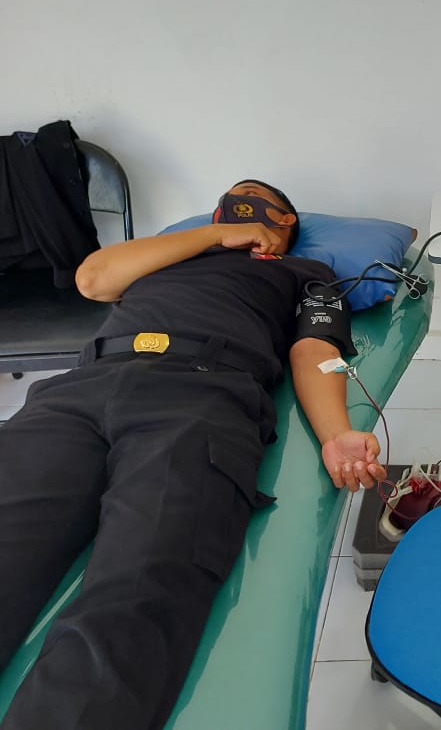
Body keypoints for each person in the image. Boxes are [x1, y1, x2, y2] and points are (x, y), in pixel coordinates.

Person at [0, 180, 386, 730]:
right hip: (77, 392)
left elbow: (314, 350)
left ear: (285, 224)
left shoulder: (308, 274)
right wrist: (212, 236)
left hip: (201, 397)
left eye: (254, 200)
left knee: (137, 586)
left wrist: (336, 434)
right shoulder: (167, 254)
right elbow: (93, 279)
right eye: (233, 202)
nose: (239, 203)